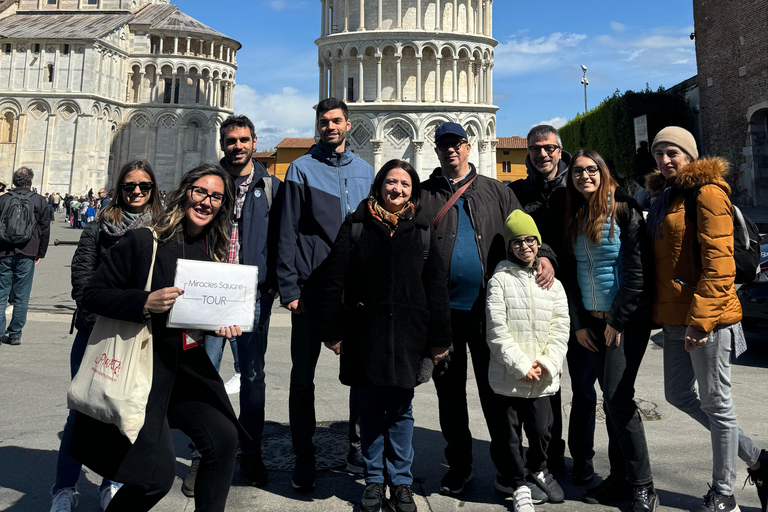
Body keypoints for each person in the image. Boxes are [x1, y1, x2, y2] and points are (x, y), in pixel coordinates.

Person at [70, 164, 244, 512]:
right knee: (155, 479)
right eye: (200, 192)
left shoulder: (212, 250)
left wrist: (220, 324)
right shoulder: (143, 240)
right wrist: (143, 302)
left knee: (224, 440)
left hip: (185, 370)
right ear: (184, 193)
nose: (207, 202)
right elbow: (91, 294)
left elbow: (192, 315)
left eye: (216, 197)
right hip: (145, 371)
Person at [418, 122, 556, 498]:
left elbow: (524, 232)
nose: (451, 150)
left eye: (458, 144)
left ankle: (508, 473)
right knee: (450, 397)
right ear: (437, 149)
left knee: (497, 396)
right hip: (443, 316)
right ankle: (459, 468)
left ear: (469, 146)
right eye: (444, 144)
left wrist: (544, 255)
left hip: (489, 315)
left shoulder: (497, 191)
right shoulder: (425, 195)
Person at [645, 126, 768, 512]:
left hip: (708, 319)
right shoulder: (666, 196)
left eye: (673, 153)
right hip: (675, 318)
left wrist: (701, 321)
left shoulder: (708, 192)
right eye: (659, 154)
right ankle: (759, 459)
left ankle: (724, 493)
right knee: (677, 394)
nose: (665, 160)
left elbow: (719, 266)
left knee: (718, 403)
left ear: (690, 155)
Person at [320, 160, 451, 512]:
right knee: (369, 410)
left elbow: (436, 285)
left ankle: (402, 482)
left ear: (413, 191)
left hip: (408, 335)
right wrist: (332, 331)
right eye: (391, 182)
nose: (397, 189)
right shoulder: (357, 224)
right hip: (366, 333)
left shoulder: (422, 228)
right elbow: (334, 279)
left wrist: (440, 338)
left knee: (401, 411)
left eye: (405, 184)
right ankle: (375, 480)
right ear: (379, 186)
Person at [50, 161, 163, 512]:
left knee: (122, 412)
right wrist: (100, 315)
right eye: (130, 186)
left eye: (144, 186)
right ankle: (64, 488)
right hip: (96, 332)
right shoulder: (99, 227)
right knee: (82, 409)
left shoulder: (162, 231)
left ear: (153, 189)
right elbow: (82, 278)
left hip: (141, 335)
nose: (137, 192)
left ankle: (112, 481)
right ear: (119, 189)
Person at [277, 97, 374, 492]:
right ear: (317, 126)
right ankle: (304, 455)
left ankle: (357, 446)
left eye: (336, 121)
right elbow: (286, 232)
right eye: (323, 121)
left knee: (361, 376)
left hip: (354, 294)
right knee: (302, 378)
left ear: (348, 125)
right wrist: (289, 287)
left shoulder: (366, 170)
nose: (330, 127)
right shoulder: (300, 169)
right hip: (310, 292)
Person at [183, 114, 282, 494]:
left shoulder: (271, 186)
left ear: (255, 142)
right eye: (231, 140)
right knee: (203, 374)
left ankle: (250, 452)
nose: (237, 146)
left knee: (253, 377)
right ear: (222, 144)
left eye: (243, 140)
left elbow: (281, 240)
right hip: (207, 291)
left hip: (251, 294)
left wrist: (274, 285)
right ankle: (202, 453)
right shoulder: (206, 182)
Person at [563, 149, 659, 511]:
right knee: (612, 401)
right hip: (593, 323)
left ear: (603, 171)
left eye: (591, 170)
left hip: (624, 323)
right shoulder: (575, 213)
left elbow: (637, 273)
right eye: (577, 172)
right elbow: (573, 274)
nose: (584, 176)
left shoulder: (624, 208)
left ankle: (643, 485)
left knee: (618, 399)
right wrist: (580, 325)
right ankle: (620, 478)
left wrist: (616, 321)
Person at [510, 124, 597, 483]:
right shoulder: (516, 192)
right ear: (528, 153)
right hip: (535, 300)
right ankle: (549, 456)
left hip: (579, 299)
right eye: (535, 149)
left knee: (583, 386)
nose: (542, 154)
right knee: (545, 384)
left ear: (560, 151)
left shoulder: (576, 187)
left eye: (549, 148)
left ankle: (583, 458)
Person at [485, 210, 569, 512]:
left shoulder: (553, 285)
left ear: (538, 243)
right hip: (510, 373)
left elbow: (561, 328)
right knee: (508, 435)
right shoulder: (500, 281)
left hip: (543, 374)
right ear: (510, 247)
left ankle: (539, 468)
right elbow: (496, 330)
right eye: (518, 242)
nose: (525, 247)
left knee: (542, 428)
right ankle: (517, 482)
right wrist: (521, 365)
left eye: (530, 240)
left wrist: (547, 363)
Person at [0, 167, 51, 346]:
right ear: (30, 181)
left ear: (14, 181)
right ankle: (15, 334)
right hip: (28, 252)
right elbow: (45, 229)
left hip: (3, 252)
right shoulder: (39, 201)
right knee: (22, 295)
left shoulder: (3, 199)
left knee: (1, 293)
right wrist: (41, 253)